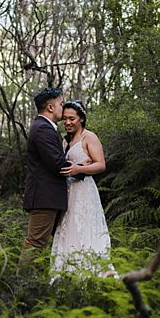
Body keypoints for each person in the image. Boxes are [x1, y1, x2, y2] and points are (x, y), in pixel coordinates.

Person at [50, 99, 117, 281]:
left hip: (84, 191)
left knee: (85, 228)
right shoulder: (65, 142)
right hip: (68, 192)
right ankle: (67, 273)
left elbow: (101, 165)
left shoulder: (89, 137)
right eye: (65, 119)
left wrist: (80, 169)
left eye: (72, 118)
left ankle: (90, 271)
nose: (68, 122)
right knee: (68, 227)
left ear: (81, 118)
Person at [19, 87, 73, 267]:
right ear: (50, 107)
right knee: (35, 243)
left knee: (57, 241)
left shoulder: (46, 128)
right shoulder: (42, 128)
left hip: (50, 197)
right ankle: (21, 283)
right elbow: (57, 163)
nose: (63, 108)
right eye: (61, 104)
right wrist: (85, 169)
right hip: (44, 197)